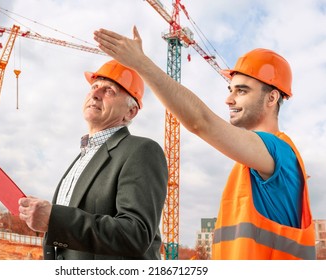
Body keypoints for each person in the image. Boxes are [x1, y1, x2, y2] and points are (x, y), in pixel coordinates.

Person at [93, 26, 316, 260]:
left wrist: (141, 63)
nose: (229, 99)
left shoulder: (279, 152)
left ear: (272, 97)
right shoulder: (249, 166)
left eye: (241, 91)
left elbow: (201, 122)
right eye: (230, 90)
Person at [18, 59, 168, 260]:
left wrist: (55, 219)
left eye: (109, 91)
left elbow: (135, 235)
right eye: (95, 86)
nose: (95, 94)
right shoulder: (82, 158)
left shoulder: (141, 151)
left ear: (130, 112)